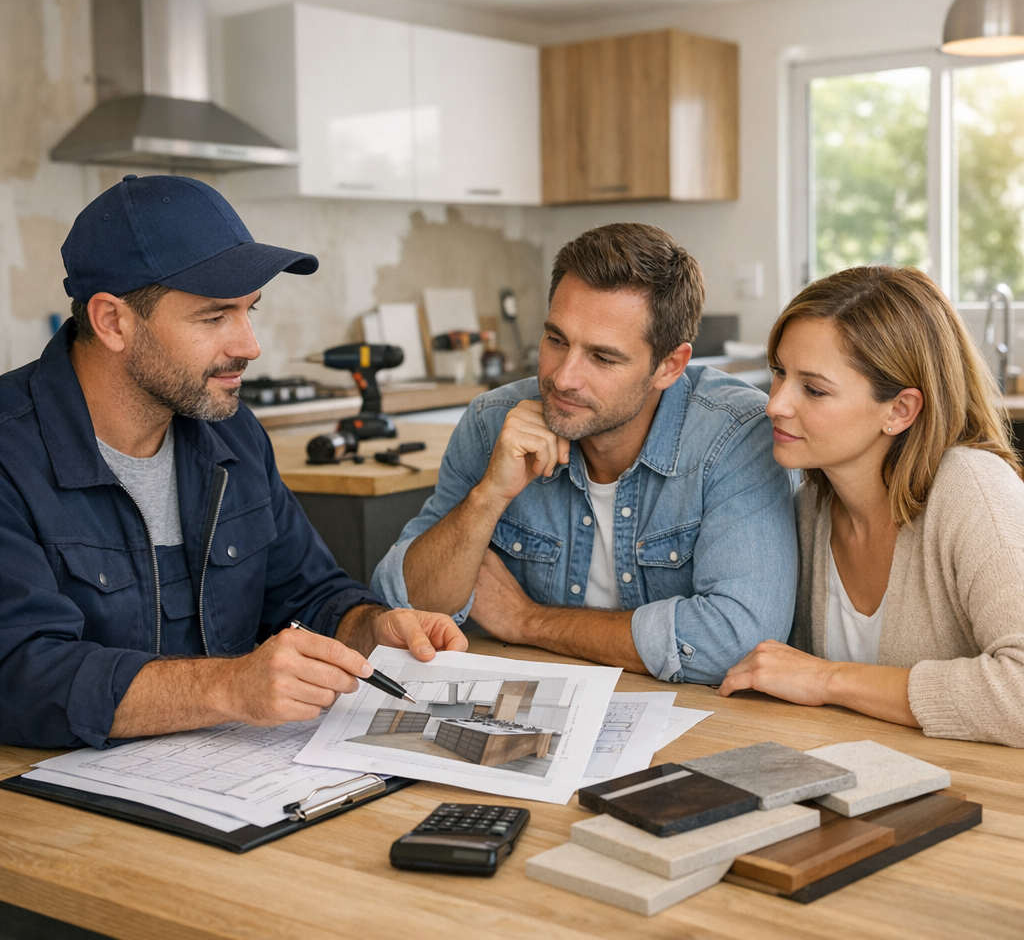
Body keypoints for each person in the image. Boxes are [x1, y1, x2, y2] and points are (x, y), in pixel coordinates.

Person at [0, 174, 465, 750]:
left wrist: (372, 629)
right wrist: (228, 687)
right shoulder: (9, 456)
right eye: (214, 317)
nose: (249, 345)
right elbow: (19, 673)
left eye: (250, 311)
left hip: (227, 780)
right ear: (112, 321)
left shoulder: (234, 434)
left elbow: (307, 593)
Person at [372, 223, 797, 681]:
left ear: (669, 366)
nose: (563, 377)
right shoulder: (492, 420)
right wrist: (488, 497)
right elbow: (403, 611)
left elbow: (741, 642)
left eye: (603, 357)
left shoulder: (734, 435)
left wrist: (528, 621)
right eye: (556, 340)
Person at [720, 265, 1024, 748]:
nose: (775, 403)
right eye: (780, 372)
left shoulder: (972, 489)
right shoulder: (809, 509)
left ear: (899, 410)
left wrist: (827, 679)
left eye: (813, 389)